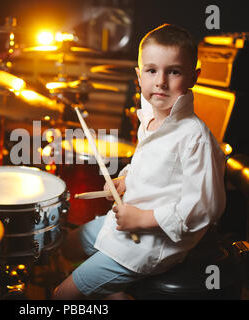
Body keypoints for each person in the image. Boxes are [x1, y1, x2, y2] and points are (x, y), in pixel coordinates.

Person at [53, 23, 226, 300]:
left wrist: (143, 219)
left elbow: (205, 208)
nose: (161, 81)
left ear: (194, 77)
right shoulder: (150, 118)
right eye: (152, 70)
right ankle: (110, 290)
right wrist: (124, 181)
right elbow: (147, 168)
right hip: (123, 224)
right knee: (67, 247)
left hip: (151, 245)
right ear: (139, 75)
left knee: (61, 296)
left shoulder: (195, 137)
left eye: (174, 71)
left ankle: (95, 286)